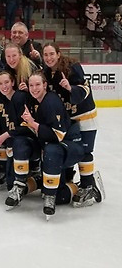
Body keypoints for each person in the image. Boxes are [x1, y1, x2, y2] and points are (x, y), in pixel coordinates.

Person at [17, 72, 86, 219]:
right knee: (25, 143)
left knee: (51, 151)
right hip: (54, 147)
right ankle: (39, 181)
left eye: (37, 85)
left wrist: (33, 123)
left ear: (45, 85)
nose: (34, 88)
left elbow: (57, 136)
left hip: (70, 147)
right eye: (31, 85)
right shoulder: (35, 100)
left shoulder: (50, 102)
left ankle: (71, 189)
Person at [42, 43, 103, 207]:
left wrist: (70, 88)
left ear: (59, 54)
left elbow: (85, 88)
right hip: (68, 121)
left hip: (85, 116)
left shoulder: (72, 67)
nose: (48, 58)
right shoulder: (47, 72)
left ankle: (88, 185)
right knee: (72, 150)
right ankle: (78, 183)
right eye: (45, 55)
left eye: (51, 54)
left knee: (85, 151)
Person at [0, 71, 34, 189]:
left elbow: (27, 126)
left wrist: (7, 134)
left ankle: (34, 174)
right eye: (0, 83)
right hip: (10, 145)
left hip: (26, 142)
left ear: (12, 82)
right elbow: (0, 128)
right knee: (9, 184)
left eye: (6, 82)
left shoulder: (21, 97)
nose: (4, 86)